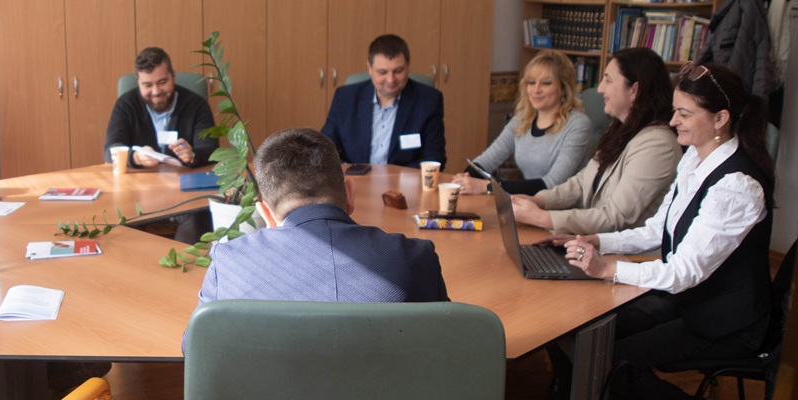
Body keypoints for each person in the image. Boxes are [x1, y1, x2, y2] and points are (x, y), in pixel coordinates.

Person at [559, 63, 775, 400]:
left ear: (720, 119)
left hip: (726, 321)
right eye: (675, 110)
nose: (673, 120)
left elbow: (684, 272)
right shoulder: (694, 158)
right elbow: (660, 230)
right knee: (591, 330)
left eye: (685, 113)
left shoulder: (737, 185)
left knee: (613, 358)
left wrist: (608, 269)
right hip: (691, 300)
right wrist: (598, 241)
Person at [196, 127, 449, 306]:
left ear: (266, 214)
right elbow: (447, 343)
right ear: (350, 194)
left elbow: (197, 350)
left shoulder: (228, 264)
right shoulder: (416, 259)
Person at [512, 47, 683, 235]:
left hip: (621, 250)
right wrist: (539, 201)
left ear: (634, 90)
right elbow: (582, 182)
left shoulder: (658, 145)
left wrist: (541, 217)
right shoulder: (619, 128)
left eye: (608, 80)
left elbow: (615, 217)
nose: (600, 88)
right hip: (592, 241)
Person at [453, 49, 591, 196]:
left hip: (563, 206)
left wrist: (489, 187)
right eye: (532, 82)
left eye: (546, 83)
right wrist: (466, 177)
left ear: (563, 89)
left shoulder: (578, 125)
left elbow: (553, 183)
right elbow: (488, 160)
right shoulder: (523, 119)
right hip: (529, 202)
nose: (536, 90)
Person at [321, 34, 446, 168]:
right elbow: (323, 149)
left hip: (404, 180)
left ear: (408, 66)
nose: (391, 79)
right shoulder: (345, 98)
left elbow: (435, 157)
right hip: (354, 178)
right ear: (369, 68)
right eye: (382, 72)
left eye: (398, 71)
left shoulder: (429, 101)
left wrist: (395, 177)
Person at [103, 47, 217, 169]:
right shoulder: (125, 105)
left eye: (162, 82)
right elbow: (111, 149)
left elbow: (211, 150)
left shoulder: (197, 105)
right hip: (140, 178)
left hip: (184, 177)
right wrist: (135, 157)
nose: (156, 92)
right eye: (147, 85)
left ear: (173, 76)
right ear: (138, 82)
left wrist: (192, 154)